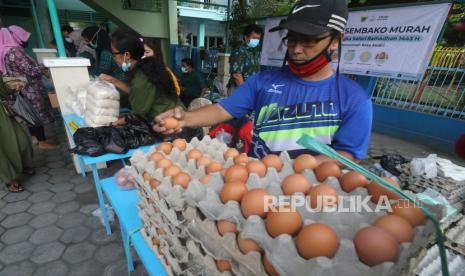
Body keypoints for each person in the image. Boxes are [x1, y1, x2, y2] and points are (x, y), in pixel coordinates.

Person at [153, 0, 373, 162]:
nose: (296, 49)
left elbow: (348, 155)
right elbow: (223, 110)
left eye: (309, 41)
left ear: (336, 40)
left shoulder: (354, 99)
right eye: (292, 39)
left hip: (309, 195)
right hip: (255, 182)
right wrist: (184, 119)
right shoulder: (263, 81)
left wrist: (295, 166)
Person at [0, 25, 59, 149]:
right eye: (23, 37)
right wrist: (45, 65)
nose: (25, 40)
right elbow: (31, 71)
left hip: (20, 87)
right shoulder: (15, 51)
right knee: (35, 114)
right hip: (29, 89)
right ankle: (42, 141)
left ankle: (35, 138)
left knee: (28, 113)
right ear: (15, 37)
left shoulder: (5, 50)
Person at [110, 31, 184, 122]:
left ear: (127, 55)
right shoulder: (149, 68)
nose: (113, 57)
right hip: (175, 116)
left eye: (114, 53)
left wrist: (115, 123)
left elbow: (139, 114)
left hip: (171, 123)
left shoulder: (141, 78)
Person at [0, 78, 34, 193]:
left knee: (21, 140)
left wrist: (11, 88)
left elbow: (2, 88)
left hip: (2, 113)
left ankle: (23, 164)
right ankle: (9, 179)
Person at [228, 24, 263, 94]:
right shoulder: (239, 51)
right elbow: (236, 75)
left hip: (251, 89)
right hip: (239, 89)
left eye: (258, 38)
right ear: (246, 37)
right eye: (254, 38)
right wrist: (245, 92)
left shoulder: (255, 51)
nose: (256, 40)